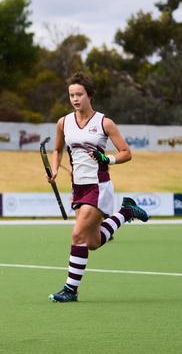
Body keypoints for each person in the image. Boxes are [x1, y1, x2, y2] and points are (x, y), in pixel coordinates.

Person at [47, 72, 149, 303]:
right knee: (90, 242)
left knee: (77, 235)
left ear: (89, 95)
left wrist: (108, 160)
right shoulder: (63, 122)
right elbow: (57, 150)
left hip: (99, 187)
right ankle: (126, 212)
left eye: (79, 94)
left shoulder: (104, 123)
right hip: (78, 187)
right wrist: (54, 169)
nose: (75, 99)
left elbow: (126, 153)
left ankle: (70, 290)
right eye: (71, 94)